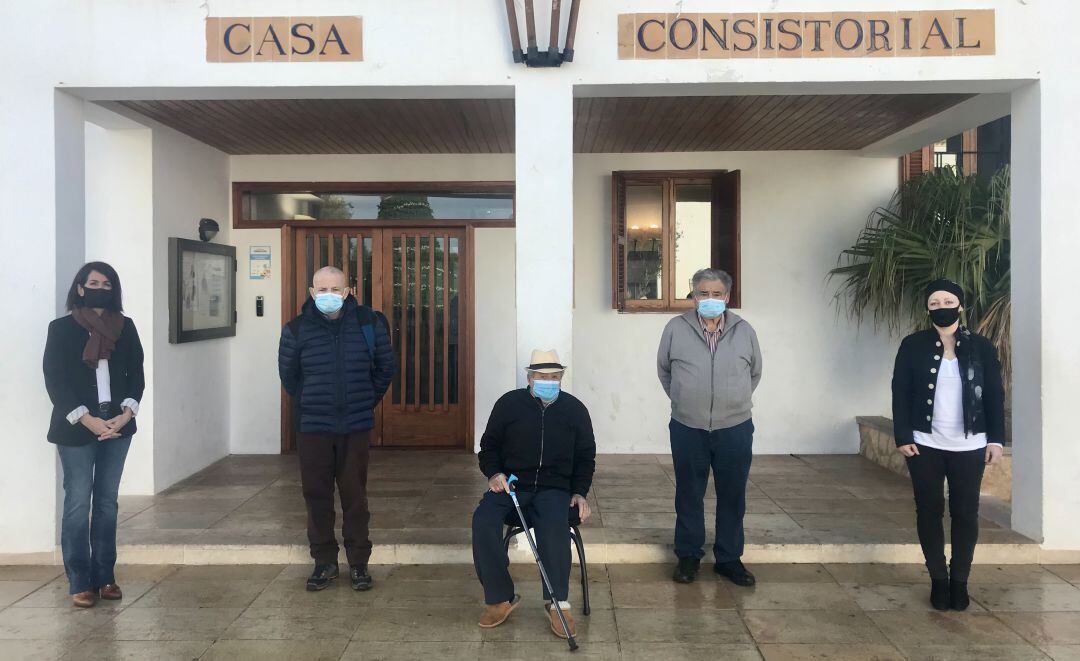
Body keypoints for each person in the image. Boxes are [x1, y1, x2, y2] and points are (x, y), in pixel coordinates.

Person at [278, 266, 396, 592]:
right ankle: (324, 563)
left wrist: (363, 400)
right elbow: (289, 377)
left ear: (347, 292)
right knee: (316, 496)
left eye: (335, 289)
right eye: (322, 289)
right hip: (313, 426)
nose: (328, 295)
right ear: (312, 293)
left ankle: (359, 564)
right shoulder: (296, 330)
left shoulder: (369, 324)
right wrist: (312, 402)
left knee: (355, 496)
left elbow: (386, 368)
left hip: (355, 425)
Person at [892, 278, 1005, 611]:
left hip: (970, 445)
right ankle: (938, 580)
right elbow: (900, 391)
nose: (941, 307)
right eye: (934, 304)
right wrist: (903, 435)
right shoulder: (913, 345)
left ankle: (960, 582)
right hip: (924, 444)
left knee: (966, 513)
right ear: (928, 309)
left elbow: (995, 396)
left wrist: (996, 439)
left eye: (947, 301)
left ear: (961, 305)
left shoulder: (982, 347)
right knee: (928, 510)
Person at [471, 350, 596, 640]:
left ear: (561, 379)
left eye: (553, 377)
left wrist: (580, 492)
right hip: (512, 485)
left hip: (554, 488)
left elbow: (586, 457)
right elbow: (488, 446)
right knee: (483, 519)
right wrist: (494, 474)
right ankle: (499, 598)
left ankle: (558, 603)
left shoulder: (575, 410)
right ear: (529, 378)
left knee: (554, 524)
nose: (547, 381)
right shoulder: (508, 404)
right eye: (541, 376)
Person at [43, 262, 144, 608]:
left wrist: (125, 413)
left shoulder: (125, 327)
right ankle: (80, 581)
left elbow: (136, 374)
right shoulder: (62, 328)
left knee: (106, 504)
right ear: (81, 288)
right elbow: (55, 380)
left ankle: (105, 576)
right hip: (76, 427)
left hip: (117, 425)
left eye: (107, 283)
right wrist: (87, 420)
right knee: (77, 503)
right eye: (94, 282)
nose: (101, 287)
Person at [657, 268, 762, 586]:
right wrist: (686, 401)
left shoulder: (745, 331)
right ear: (693, 296)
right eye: (703, 293)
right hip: (688, 426)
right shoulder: (676, 328)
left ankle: (729, 559)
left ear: (727, 297)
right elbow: (665, 371)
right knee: (689, 492)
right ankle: (688, 556)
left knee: (733, 494)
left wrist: (733, 402)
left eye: (717, 294)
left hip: (735, 427)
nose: (710, 299)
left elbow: (754, 373)